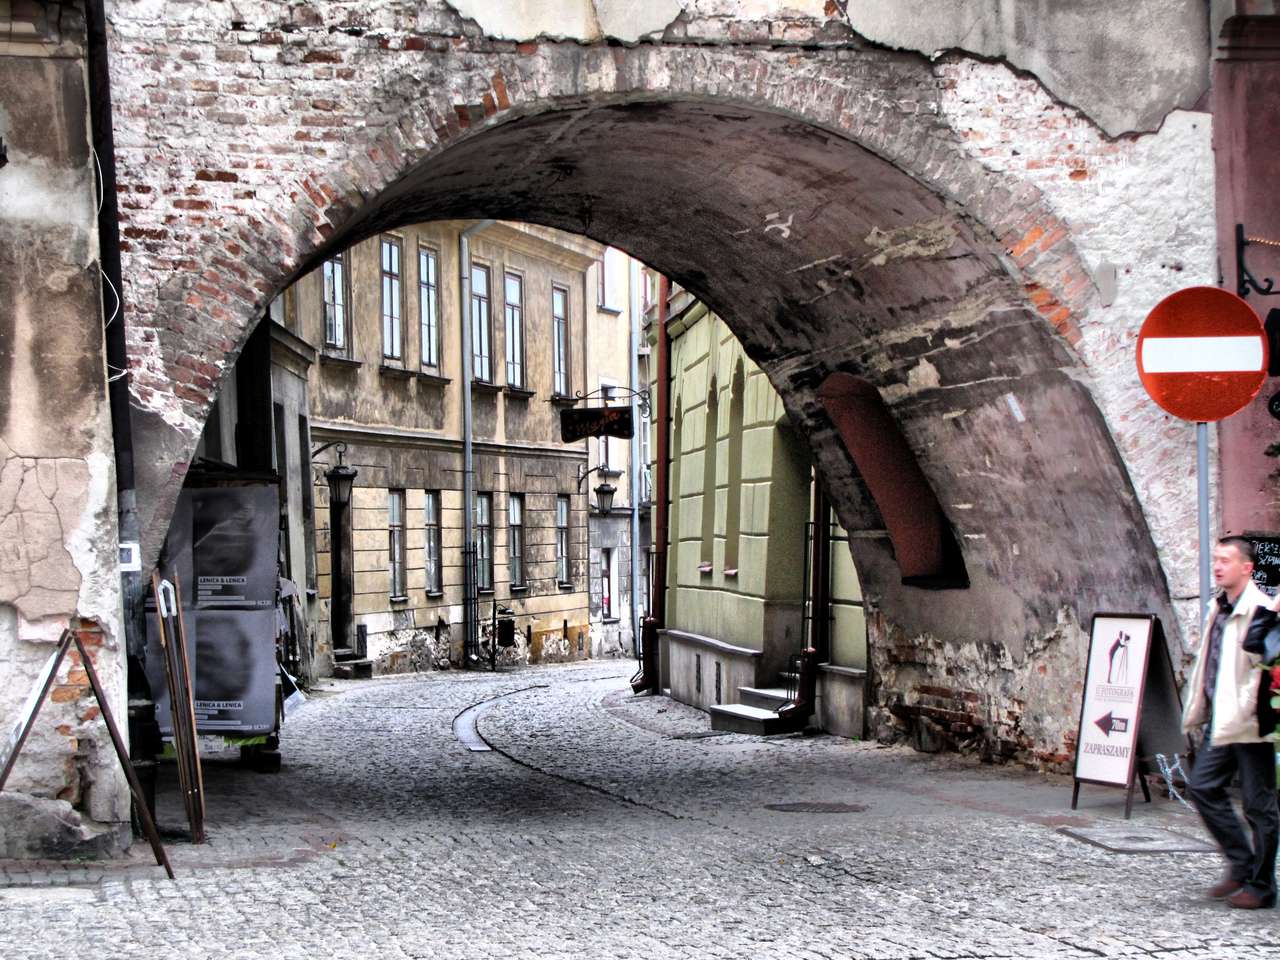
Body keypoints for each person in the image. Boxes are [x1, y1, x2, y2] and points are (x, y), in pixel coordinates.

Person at [1183, 536, 1280, 909]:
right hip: (1221, 721)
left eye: (1226, 560)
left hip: (1250, 723)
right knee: (1203, 786)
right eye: (1216, 559)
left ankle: (1262, 886)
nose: (1218, 566)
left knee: (1259, 806)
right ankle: (1241, 864)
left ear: (1247, 568)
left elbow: (1263, 669)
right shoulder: (1218, 607)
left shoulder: (1261, 610)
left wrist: (1243, 709)